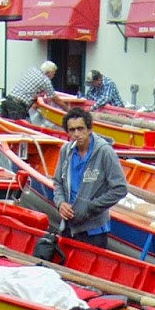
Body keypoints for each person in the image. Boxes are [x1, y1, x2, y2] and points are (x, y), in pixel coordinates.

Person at [53, 106, 126, 248]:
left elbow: (120, 189)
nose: (76, 134)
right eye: (72, 130)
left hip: (94, 231)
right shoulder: (65, 151)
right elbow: (57, 182)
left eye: (80, 129)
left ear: (89, 129)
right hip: (68, 226)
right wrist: (61, 203)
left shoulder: (105, 152)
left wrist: (90, 207)